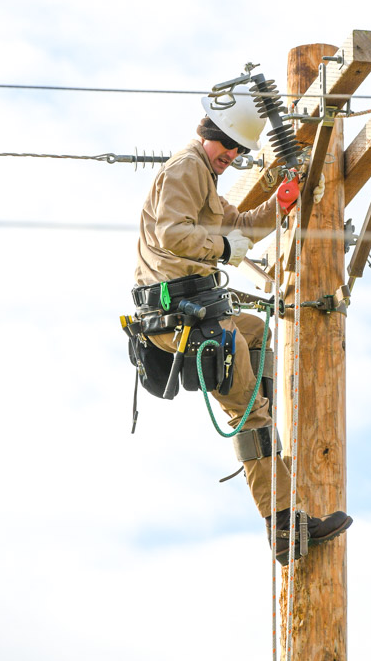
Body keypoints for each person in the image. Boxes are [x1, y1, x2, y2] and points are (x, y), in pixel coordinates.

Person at [133, 86, 352, 563]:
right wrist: (226, 249)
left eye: (238, 151)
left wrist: (282, 201)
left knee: (256, 332)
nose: (232, 157)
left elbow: (241, 227)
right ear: (211, 134)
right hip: (179, 318)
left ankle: (263, 410)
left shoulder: (204, 177)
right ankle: (285, 525)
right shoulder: (187, 167)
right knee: (247, 412)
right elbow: (173, 234)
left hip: (198, 312)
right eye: (229, 147)